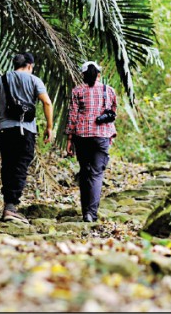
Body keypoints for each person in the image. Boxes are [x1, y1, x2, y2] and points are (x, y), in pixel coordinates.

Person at [0, 52, 55, 223]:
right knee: (20, 167)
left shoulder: (1, 80)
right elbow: (47, 102)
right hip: (25, 130)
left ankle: (8, 205)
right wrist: (49, 127)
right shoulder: (34, 80)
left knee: (8, 164)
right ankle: (10, 208)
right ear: (29, 65)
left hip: (3, 130)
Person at [65, 61, 117, 223]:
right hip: (101, 136)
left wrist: (69, 139)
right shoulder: (109, 91)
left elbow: (73, 116)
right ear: (99, 74)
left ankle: (85, 211)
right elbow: (112, 113)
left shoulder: (77, 91)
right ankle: (90, 214)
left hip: (82, 136)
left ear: (83, 75)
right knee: (96, 174)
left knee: (85, 172)